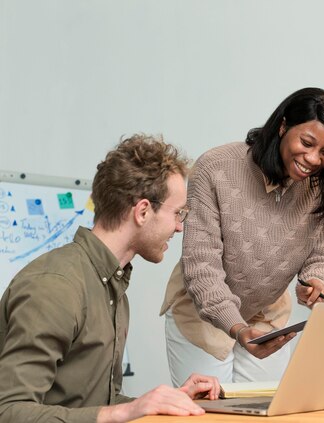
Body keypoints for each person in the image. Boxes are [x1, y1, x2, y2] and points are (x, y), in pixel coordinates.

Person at [0, 135, 221, 423]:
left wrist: (164, 401)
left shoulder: (111, 287)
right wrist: (127, 411)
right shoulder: (55, 287)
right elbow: (9, 411)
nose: (180, 227)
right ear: (142, 211)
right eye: (178, 213)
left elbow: (98, 404)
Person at [160, 87, 324, 385]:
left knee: (266, 412)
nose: (313, 159)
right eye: (307, 142)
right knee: (211, 414)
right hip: (202, 314)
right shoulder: (216, 167)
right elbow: (202, 266)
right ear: (283, 125)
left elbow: (323, 253)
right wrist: (236, 327)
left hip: (268, 319)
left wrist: (317, 282)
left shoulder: (320, 187)